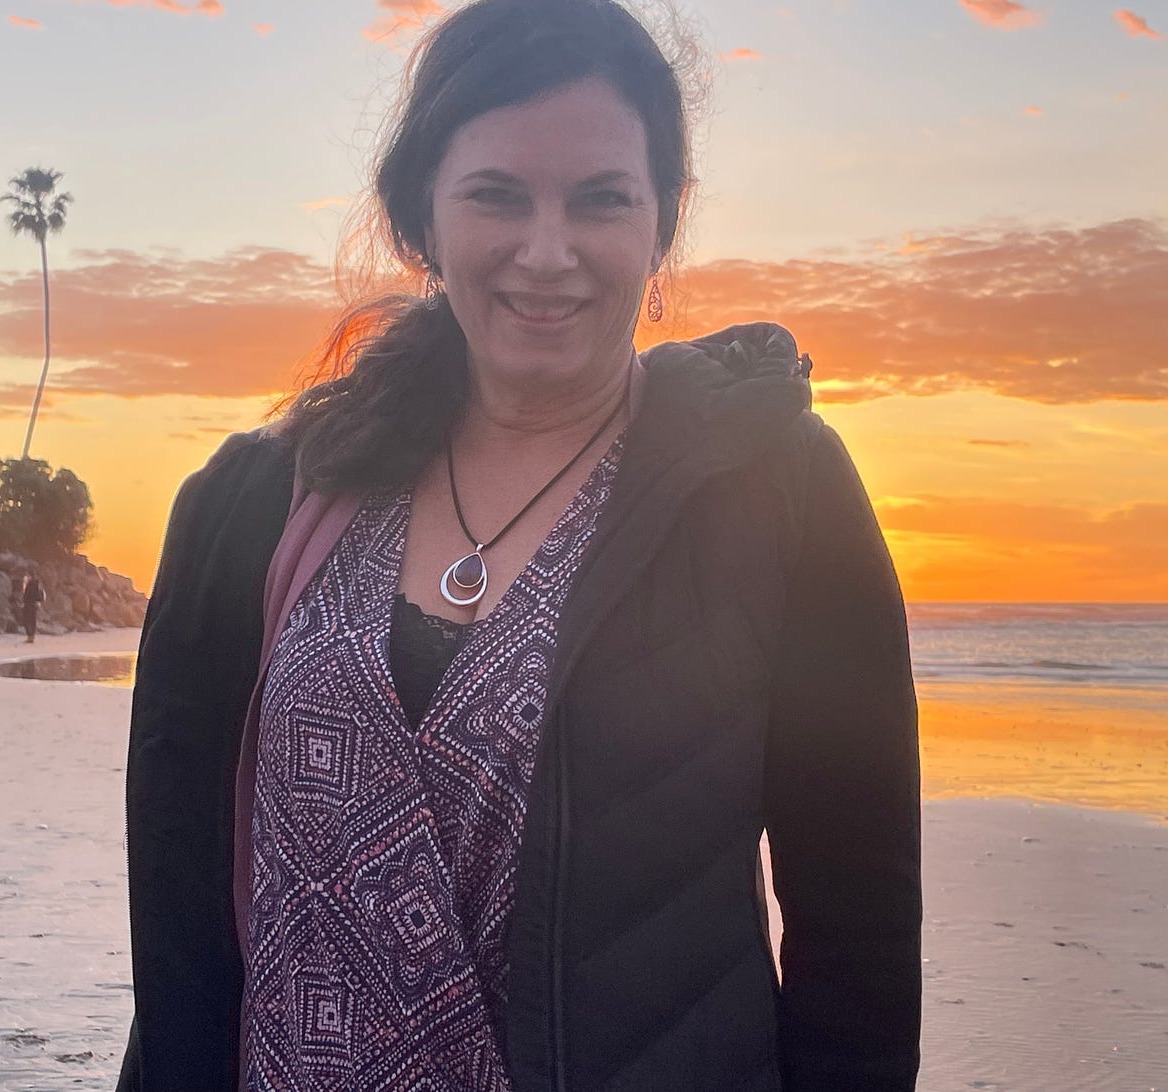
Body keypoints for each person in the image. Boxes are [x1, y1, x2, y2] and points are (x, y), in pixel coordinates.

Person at [118, 1, 921, 1089]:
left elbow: (855, 929)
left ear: (662, 220)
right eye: (497, 195)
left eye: (601, 200)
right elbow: (178, 921)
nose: (548, 254)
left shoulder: (772, 491)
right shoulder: (252, 502)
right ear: (420, 214)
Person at [21, 574, 44, 643]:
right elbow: (41, 593)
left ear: (29, 576)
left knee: (27, 619)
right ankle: (32, 635)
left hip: (28, 604)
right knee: (33, 619)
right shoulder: (38, 583)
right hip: (35, 604)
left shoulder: (29, 584)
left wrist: (23, 602)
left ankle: (30, 636)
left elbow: (26, 594)